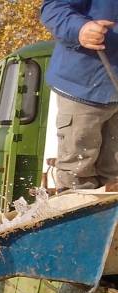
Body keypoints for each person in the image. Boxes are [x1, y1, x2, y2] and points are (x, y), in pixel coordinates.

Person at [41, 0, 118, 189]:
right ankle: (78, 215)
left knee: (115, 178)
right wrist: (80, 29)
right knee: (77, 173)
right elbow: (54, 8)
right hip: (84, 86)